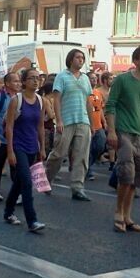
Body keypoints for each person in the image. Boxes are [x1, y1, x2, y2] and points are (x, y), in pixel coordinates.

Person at [106, 45, 140, 233]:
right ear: (135, 61)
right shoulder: (122, 80)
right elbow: (110, 105)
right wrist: (111, 131)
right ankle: (119, 213)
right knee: (126, 173)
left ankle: (128, 216)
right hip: (123, 132)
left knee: (139, 173)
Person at [44, 49, 93, 201]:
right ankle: (46, 179)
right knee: (59, 153)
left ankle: (77, 188)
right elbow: (57, 99)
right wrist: (58, 120)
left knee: (81, 156)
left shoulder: (85, 78)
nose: (81, 60)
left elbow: (88, 101)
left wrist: (91, 124)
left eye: (83, 58)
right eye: (78, 57)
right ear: (71, 59)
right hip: (66, 121)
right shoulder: (62, 76)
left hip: (83, 121)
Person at [4, 68, 46, 232]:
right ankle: (32, 221)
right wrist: (10, 151)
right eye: (32, 78)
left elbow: (40, 126)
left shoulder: (41, 101)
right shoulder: (16, 100)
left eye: (38, 78)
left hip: (32, 147)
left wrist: (42, 148)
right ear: (24, 81)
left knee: (19, 182)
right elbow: (9, 126)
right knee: (27, 183)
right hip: (18, 146)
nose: (36, 81)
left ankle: (8, 212)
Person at [0, 73, 21, 202]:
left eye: (19, 81)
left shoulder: (19, 97)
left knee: (16, 167)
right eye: (15, 81)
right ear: (7, 83)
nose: (18, 83)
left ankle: (18, 193)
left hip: (15, 139)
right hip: (0, 137)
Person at [86, 72, 107, 182]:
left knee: (101, 145)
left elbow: (100, 109)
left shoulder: (98, 92)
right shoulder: (84, 92)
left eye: (95, 78)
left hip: (98, 126)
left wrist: (104, 122)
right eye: (91, 78)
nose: (94, 80)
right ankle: (88, 170)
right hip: (88, 125)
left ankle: (88, 164)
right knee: (87, 149)